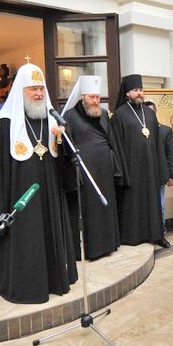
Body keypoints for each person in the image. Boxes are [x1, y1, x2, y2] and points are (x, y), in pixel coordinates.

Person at [0, 64, 77, 303]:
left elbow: (64, 160)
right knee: (26, 240)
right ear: (20, 91)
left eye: (40, 89)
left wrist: (62, 137)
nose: (38, 94)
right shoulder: (4, 124)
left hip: (49, 195)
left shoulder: (52, 120)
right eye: (32, 89)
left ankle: (55, 280)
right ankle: (26, 286)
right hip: (19, 198)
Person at [61, 76, 121, 261]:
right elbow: (67, 145)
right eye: (91, 97)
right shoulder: (69, 116)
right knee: (91, 208)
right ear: (82, 97)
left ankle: (108, 244)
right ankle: (93, 248)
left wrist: (115, 164)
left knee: (106, 205)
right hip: (86, 169)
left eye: (97, 97)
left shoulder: (103, 114)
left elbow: (112, 140)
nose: (95, 101)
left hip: (104, 167)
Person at [109, 74, 169, 248]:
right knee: (133, 204)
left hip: (150, 169)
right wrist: (122, 172)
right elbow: (116, 146)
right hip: (132, 169)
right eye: (135, 90)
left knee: (154, 203)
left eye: (141, 90)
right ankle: (133, 237)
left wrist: (161, 170)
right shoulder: (119, 115)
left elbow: (158, 143)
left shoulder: (150, 114)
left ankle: (157, 235)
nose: (139, 93)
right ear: (127, 93)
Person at [151, 103, 173, 238]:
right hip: (145, 176)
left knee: (160, 205)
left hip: (159, 175)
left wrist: (172, 175)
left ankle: (161, 232)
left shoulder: (164, 131)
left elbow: (170, 154)